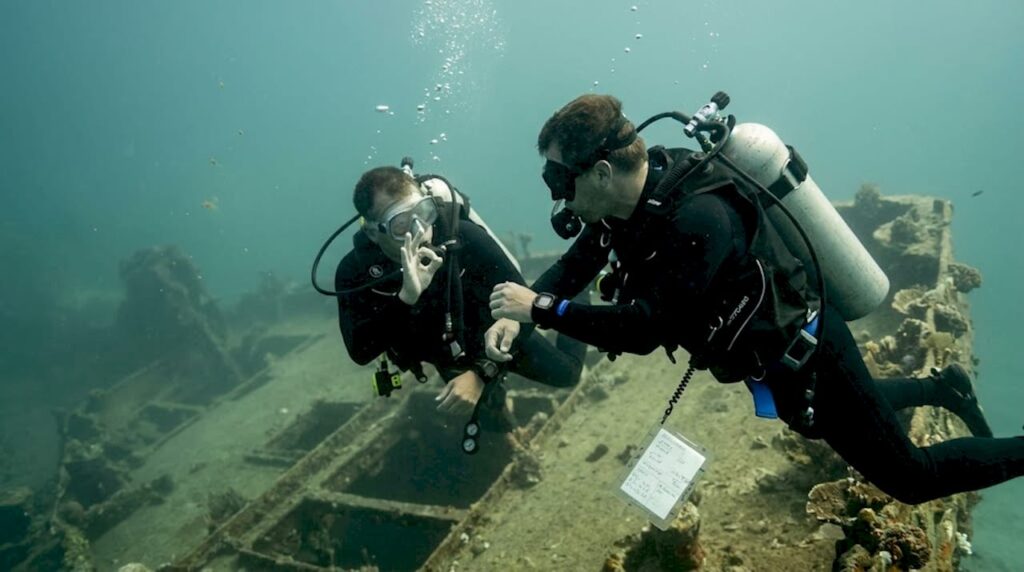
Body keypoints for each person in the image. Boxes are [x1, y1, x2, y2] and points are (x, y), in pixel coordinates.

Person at [486, 93, 1024, 504]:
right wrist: (523, 312)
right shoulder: (627, 207)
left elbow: (645, 328)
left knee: (911, 478)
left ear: (603, 172)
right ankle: (942, 387)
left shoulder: (697, 218)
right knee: (825, 416)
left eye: (560, 180)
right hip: (770, 363)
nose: (558, 197)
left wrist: (540, 309)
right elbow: (577, 263)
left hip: (811, 351)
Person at [334, 165, 586, 425]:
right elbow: (360, 351)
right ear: (373, 233)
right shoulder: (354, 273)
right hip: (442, 351)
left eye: (423, 212)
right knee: (485, 416)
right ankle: (499, 409)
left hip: (494, 332)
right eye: (401, 225)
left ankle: (577, 291)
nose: (420, 230)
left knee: (567, 374)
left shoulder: (463, 237)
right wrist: (405, 297)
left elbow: (523, 306)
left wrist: (480, 373)